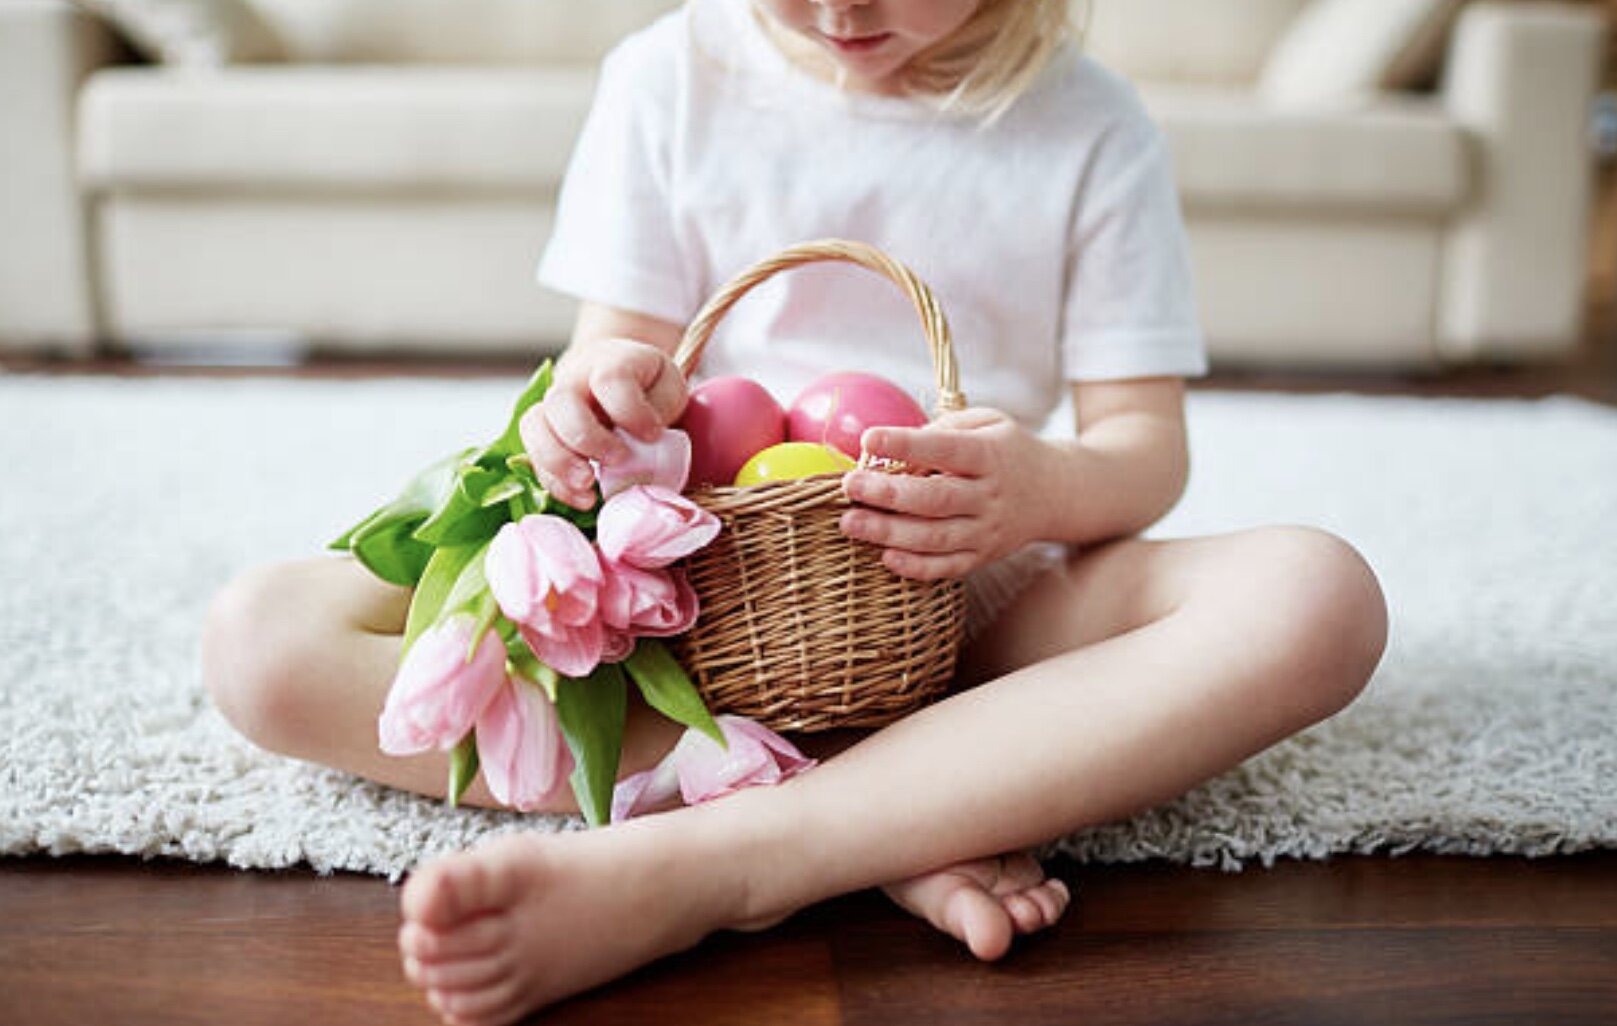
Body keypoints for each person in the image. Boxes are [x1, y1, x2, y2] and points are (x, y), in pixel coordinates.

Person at [202, 0, 1389, 1023]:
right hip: (688, 609)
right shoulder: (669, 79)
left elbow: (1146, 452)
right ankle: (899, 808)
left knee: (1315, 595)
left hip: (971, 597)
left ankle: (733, 862)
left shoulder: (1095, 128)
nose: (838, 6)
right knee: (262, 640)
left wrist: (1037, 486)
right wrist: (585, 420)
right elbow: (605, 365)